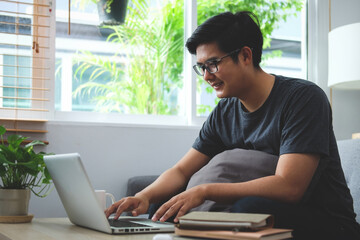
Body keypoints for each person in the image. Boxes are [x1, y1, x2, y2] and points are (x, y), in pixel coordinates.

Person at [105, 11, 360, 239]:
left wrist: (205, 191)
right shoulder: (225, 112)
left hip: (330, 223)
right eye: (201, 67)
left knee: (248, 209)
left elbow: (289, 186)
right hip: (257, 210)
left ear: (245, 55)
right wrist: (144, 196)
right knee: (163, 209)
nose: (206, 76)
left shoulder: (303, 98)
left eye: (213, 64)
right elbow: (182, 171)